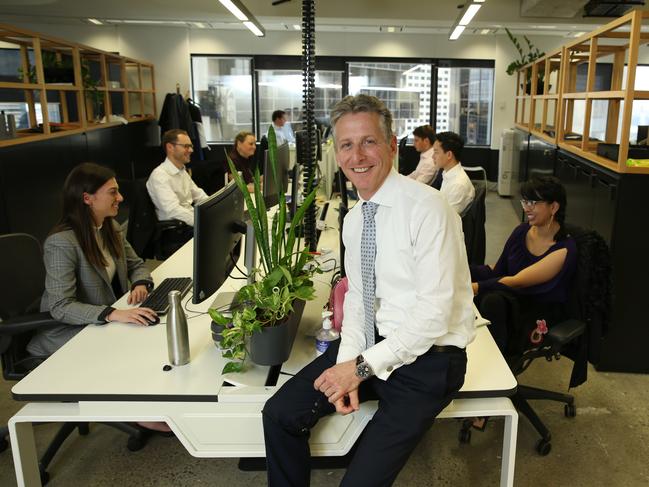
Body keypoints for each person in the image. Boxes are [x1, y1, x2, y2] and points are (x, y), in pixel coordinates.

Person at [262, 95, 476, 487]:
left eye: (369, 142)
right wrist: (348, 365)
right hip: (376, 344)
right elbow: (360, 299)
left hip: (430, 360)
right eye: (346, 144)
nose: (357, 155)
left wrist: (359, 369)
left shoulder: (429, 209)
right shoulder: (356, 220)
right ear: (337, 152)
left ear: (392, 145)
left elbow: (433, 315)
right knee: (279, 414)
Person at [28, 163, 157, 357]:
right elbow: (60, 306)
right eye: (113, 192)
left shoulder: (110, 227)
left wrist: (140, 283)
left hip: (102, 323)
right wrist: (111, 314)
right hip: (71, 332)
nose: (120, 198)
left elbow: (136, 264)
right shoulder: (62, 242)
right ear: (87, 198)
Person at [471, 176, 577, 355]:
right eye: (525, 201)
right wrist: (463, 272)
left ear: (554, 207)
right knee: (481, 292)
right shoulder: (521, 231)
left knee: (491, 300)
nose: (527, 208)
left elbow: (517, 281)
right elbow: (499, 270)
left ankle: (499, 362)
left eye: (533, 202)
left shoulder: (564, 249)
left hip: (537, 308)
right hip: (512, 298)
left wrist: (475, 287)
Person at [146, 128, 209, 227]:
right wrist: (203, 222)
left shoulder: (182, 171)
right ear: (170, 147)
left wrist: (214, 209)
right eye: (186, 146)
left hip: (189, 222)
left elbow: (199, 195)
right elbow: (173, 210)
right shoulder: (159, 176)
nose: (191, 150)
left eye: (191, 146)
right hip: (176, 230)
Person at [431, 131, 475, 215]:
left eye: (436, 152)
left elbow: (446, 220)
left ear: (449, 155)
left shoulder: (457, 185)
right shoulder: (448, 173)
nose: (433, 156)